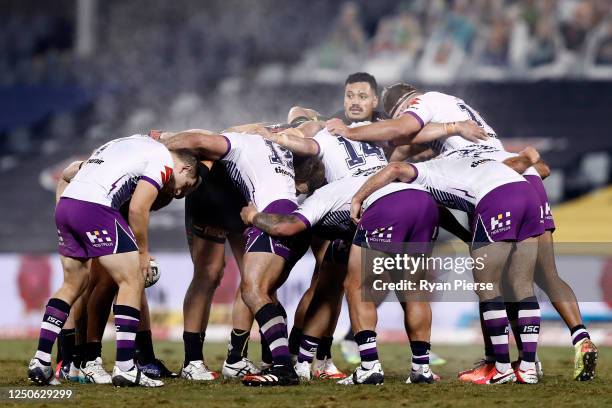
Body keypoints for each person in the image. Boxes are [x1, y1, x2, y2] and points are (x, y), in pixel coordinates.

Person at [330, 82, 598, 382]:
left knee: (490, 283)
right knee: (540, 277)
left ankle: (500, 364)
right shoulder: (462, 114)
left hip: (495, 184)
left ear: (404, 106)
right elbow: (541, 167)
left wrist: (350, 133)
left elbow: (401, 135)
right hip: (523, 180)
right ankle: (554, 350)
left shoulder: (429, 106)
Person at [28, 135, 198, 387]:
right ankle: (126, 367)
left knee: (73, 284)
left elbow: (70, 171)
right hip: (95, 207)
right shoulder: (162, 160)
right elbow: (138, 208)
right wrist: (143, 253)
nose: (179, 191)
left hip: (66, 206)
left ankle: (41, 361)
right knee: (132, 280)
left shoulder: (123, 144)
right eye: (186, 184)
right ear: (184, 167)